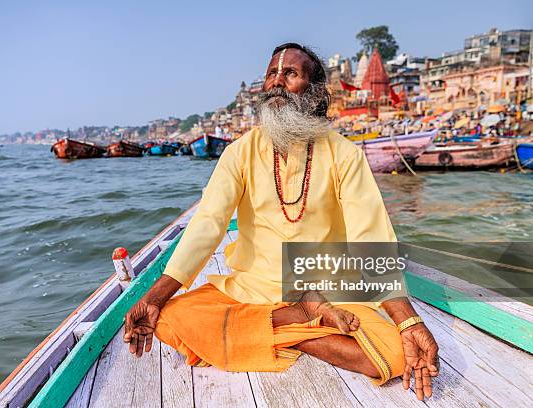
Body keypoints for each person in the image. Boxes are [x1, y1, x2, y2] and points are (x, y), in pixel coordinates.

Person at [123, 43, 440, 401]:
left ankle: (290, 322)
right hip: (252, 288)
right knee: (169, 317)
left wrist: (407, 321)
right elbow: (207, 224)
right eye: (272, 74)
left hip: (330, 288)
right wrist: (154, 296)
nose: (276, 82)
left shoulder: (344, 155)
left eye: (290, 74)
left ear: (314, 91)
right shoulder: (239, 152)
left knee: (396, 355)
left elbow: (371, 236)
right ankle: (302, 321)